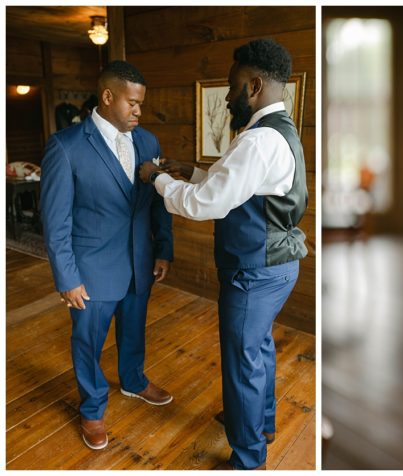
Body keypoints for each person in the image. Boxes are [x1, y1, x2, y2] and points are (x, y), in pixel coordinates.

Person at [140, 38, 308, 471]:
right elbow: (239, 188)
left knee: (241, 360)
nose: (230, 97)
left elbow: (207, 204)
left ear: (253, 86)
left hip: (255, 269)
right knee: (259, 347)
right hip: (276, 266)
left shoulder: (257, 141)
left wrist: (157, 180)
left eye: (233, 88)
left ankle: (249, 457)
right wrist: (190, 170)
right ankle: (261, 420)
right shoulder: (275, 132)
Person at [41, 60, 174, 451]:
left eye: (141, 105)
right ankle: (93, 408)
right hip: (92, 270)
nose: (138, 111)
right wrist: (67, 277)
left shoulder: (149, 143)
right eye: (132, 103)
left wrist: (163, 250)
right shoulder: (65, 146)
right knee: (88, 343)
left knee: (134, 332)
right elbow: (56, 220)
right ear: (107, 96)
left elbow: (158, 205)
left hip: (141, 264)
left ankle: (133, 380)